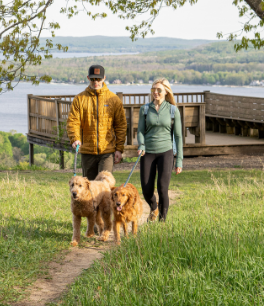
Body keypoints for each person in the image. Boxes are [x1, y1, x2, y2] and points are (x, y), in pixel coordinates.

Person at [67, 64, 127, 180]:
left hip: (107, 151)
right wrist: (75, 138)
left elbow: (121, 125)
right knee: (89, 187)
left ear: (104, 78)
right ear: (88, 78)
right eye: (93, 79)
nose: (96, 82)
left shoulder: (114, 99)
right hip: (87, 151)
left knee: (105, 185)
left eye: (98, 79)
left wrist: (119, 149)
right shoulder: (79, 99)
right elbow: (73, 122)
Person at [137, 77, 183, 222]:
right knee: (146, 189)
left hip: (166, 152)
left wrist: (179, 161)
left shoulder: (173, 110)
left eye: (159, 90)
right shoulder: (144, 109)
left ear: (166, 92)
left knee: (163, 189)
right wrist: (141, 144)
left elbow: (178, 136)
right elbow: (140, 131)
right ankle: (154, 207)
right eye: (153, 90)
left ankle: (162, 222)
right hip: (148, 152)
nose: (155, 92)